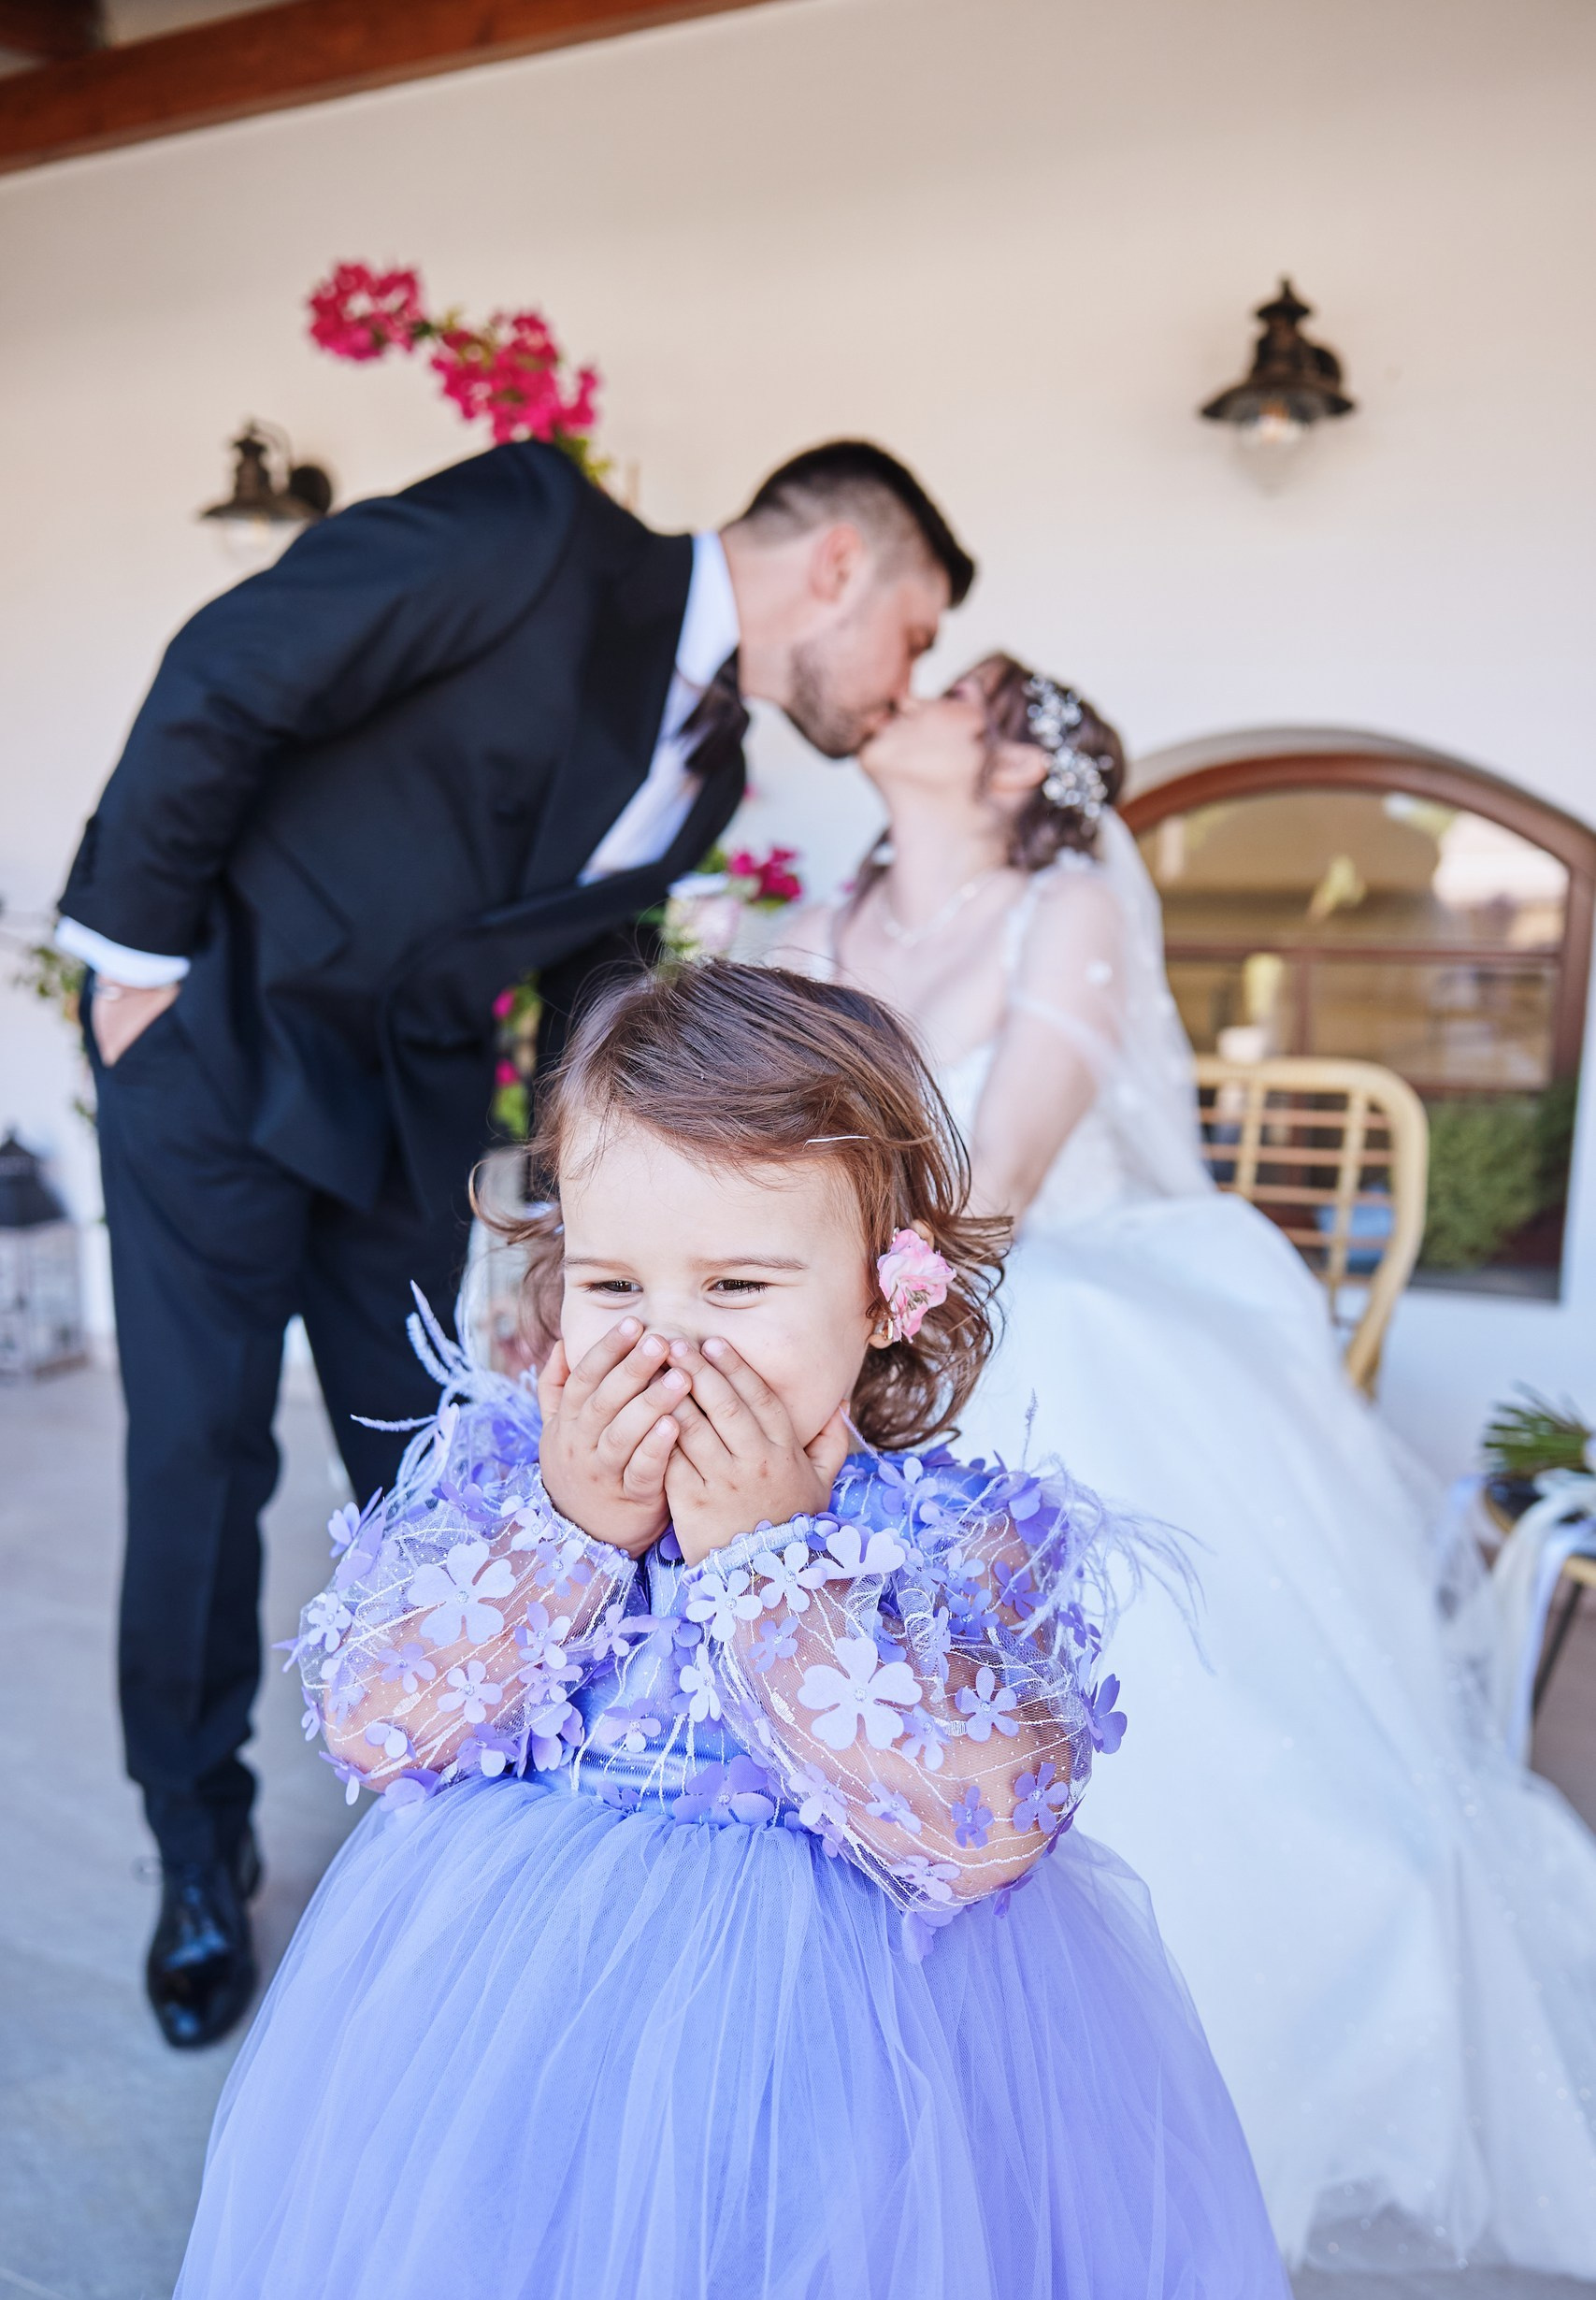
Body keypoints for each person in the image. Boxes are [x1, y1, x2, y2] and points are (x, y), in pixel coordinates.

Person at [95, 961, 1306, 2300]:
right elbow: (374, 1720)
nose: (666, 1340)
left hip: (854, 2092)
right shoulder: (508, 1487)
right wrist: (566, 1534)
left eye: (737, 1284)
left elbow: (984, 1825)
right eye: (614, 1284)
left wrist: (770, 1568)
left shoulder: (955, 1536)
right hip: (514, 2051)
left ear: (887, 1295)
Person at [53, 438, 972, 2049]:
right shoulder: (540, 530)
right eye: (914, 631)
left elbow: (591, 995)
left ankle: (434, 1791)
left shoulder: (708, 775)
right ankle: (198, 1849)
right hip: (215, 1050)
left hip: (406, 1115)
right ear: (840, 565)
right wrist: (131, 963)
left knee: (427, 1460)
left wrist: (581, 1238)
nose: (906, 677)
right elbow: (236, 662)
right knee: (198, 1456)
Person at [769, 655, 1596, 2274]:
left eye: (953, 692)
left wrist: (847, 1310)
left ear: (1019, 770)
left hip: (1026, 1274)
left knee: (1068, 1356)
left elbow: (999, 1178)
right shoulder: (824, 928)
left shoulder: (1068, 906)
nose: (906, 693)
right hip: (857, 1286)